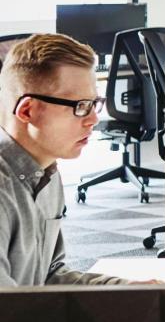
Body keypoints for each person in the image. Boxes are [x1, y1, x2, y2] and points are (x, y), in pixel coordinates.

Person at [0, 34, 127, 286]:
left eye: (94, 104)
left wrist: (122, 289)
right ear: (27, 110)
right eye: (80, 105)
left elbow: (49, 275)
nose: (93, 120)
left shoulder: (46, 173)